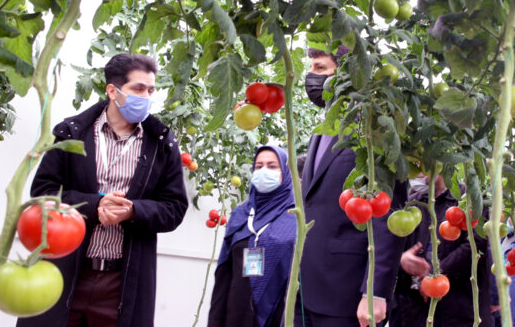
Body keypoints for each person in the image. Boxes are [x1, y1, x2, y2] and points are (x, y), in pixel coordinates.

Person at [18, 53, 189, 327]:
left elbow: (174, 208)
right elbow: (43, 193)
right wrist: (93, 205)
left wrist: (134, 211)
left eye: (150, 90)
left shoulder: (161, 144)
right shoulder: (71, 133)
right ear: (112, 90)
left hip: (121, 281)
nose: (145, 97)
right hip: (64, 271)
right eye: (137, 89)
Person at [296, 47, 407, 327]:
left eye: (320, 68)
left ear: (346, 72)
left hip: (348, 295)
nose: (312, 77)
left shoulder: (372, 128)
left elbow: (387, 214)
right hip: (308, 289)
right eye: (311, 69)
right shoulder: (322, 130)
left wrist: (375, 291)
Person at [208, 145, 296, 327]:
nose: (264, 171)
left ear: (286, 172)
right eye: (258, 166)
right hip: (236, 313)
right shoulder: (241, 214)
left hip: (278, 315)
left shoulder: (296, 216)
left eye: (272, 166)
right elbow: (224, 274)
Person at [389, 174, 493, 327]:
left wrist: (433, 274)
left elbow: (475, 245)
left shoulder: (470, 200)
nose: (418, 171)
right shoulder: (412, 204)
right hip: (417, 307)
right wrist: (402, 259)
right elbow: (393, 247)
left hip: (460, 306)